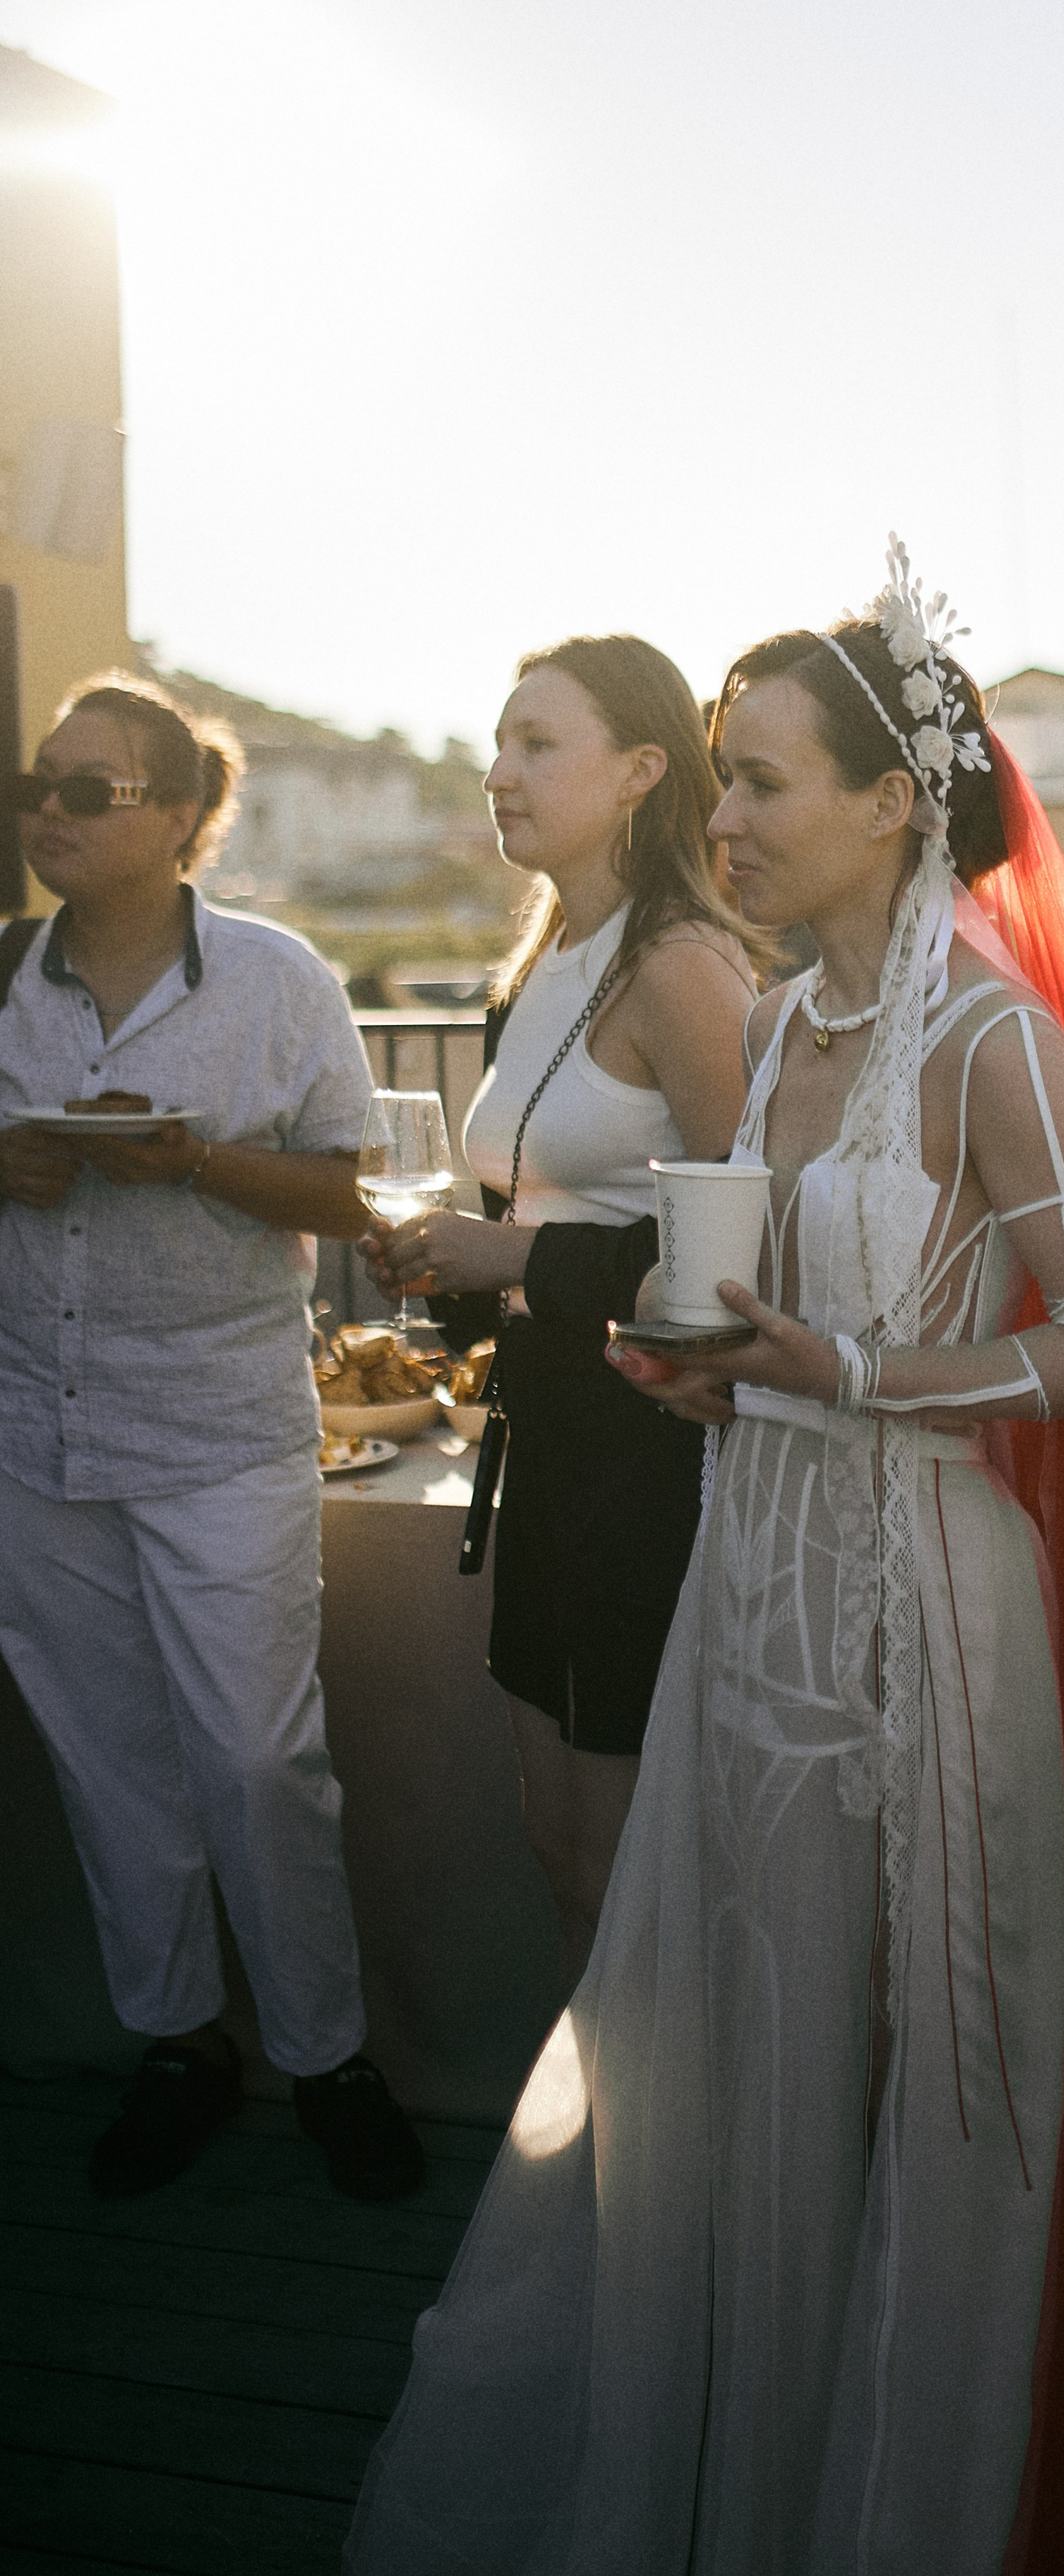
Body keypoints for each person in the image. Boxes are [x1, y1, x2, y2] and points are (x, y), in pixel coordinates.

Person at [348, 545, 1064, 2575]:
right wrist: (723, 1381)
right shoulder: (794, 1021)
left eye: (753, 782)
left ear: (888, 802)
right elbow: (775, 1317)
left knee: (932, 2060)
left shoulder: (985, 1040)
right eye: (718, 782)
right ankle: (749, 2454)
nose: (719, 819)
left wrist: (830, 1363)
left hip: (924, 1601)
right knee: (734, 2025)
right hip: (750, 1565)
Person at [0, 673, 421, 2202]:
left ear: (182, 815)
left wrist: (193, 1165)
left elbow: (354, 1194)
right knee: (112, 1764)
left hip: (223, 1429)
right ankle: (182, 2044)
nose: (48, 806)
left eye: (90, 787)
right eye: (41, 782)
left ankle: (327, 2053)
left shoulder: (279, 980)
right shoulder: (1, 977)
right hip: (35, 1438)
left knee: (257, 1759)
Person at [363, 636, 755, 1978]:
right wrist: (450, 1280)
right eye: (498, 742)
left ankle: (657, 2173)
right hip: (545, 1448)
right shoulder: (542, 959)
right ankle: (603, 2155)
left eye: (538, 743)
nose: (497, 771)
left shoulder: (684, 964)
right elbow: (533, 1209)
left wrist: (507, 1264)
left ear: (644, 769)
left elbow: (743, 1249)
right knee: (560, 1848)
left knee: (626, 1863)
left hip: (647, 1461)